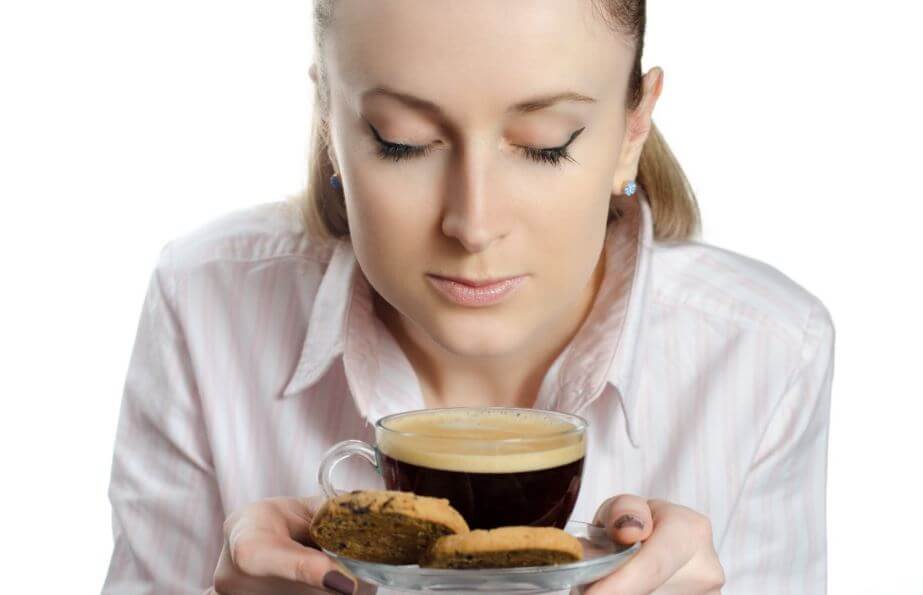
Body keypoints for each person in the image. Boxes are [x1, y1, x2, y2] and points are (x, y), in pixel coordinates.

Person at [101, 1, 835, 594]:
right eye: (402, 141)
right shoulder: (204, 301)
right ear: (330, 120)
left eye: (547, 144)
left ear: (630, 128)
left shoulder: (764, 347)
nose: (473, 224)